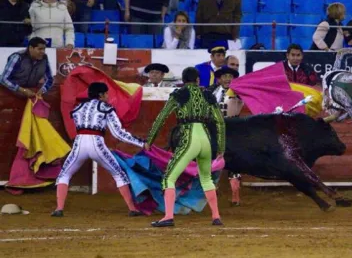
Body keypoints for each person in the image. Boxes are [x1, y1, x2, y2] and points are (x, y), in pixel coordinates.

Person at [51, 82, 146, 217]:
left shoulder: (78, 108)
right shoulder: (106, 108)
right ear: (101, 95)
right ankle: (133, 209)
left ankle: (59, 209)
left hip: (79, 143)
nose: (108, 96)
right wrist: (141, 143)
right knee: (119, 174)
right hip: (97, 143)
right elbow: (118, 133)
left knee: (64, 174)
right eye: (106, 93)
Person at [146, 67, 226, 227]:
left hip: (189, 138)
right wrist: (221, 147)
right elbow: (220, 122)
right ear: (197, 80)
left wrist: (150, 139)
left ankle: (168, 216)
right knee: (206, 178)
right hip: (206, 140)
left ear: (183, 81)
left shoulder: (179, 94)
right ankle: (216, 216)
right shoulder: (207, 95)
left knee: (169, 178)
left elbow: (162, 117)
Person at [209, 66, 244, 206]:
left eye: (230, 76)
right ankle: (213, 190)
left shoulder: (239, 92)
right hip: (215, 129)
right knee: (211, 159)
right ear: (219, 79)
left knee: (233, 163)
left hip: (233, 130)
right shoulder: (213, 91)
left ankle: (235, 196)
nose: (228, 79)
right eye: (225, 76)